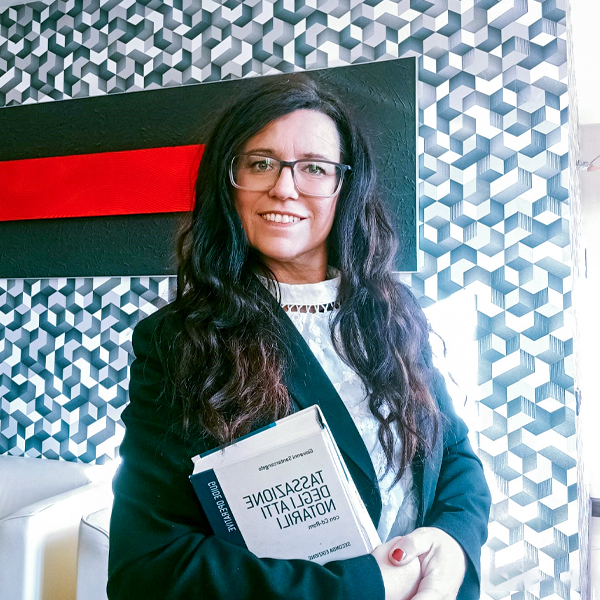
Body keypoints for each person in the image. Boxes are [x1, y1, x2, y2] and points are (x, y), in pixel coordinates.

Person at [107, 74, 491, 600]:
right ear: (229, 183)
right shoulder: (177, 341)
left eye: (313, 167)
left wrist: (452, 544)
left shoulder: (391, 312)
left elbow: (455, 456)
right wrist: (364, 586)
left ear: (344, 186)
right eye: (261, 164)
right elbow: (147, 567)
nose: (284, 188)